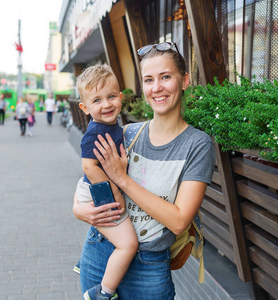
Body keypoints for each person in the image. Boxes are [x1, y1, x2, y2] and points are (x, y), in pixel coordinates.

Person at [73, 42, 215, 299]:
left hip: (148, 267)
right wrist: (79, 210)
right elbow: (88, 177)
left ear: (184, 81)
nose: (157, 87)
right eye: (149, 79)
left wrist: (122, 180)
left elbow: (179, 220)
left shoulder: (197, 144)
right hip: (99, 252)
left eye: (166, 77)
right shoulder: (127, 133)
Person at [76, 64, 138, 300]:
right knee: (128, 244)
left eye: (111, 96)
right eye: (97, 100)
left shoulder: (111, 127)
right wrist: (117, 191)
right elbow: (88, 167)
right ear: (85, 107)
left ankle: (86, 261)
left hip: (97, 187)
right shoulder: (95, 132)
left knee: (116, 233)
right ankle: (103, 292)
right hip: (99, 189)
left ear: (120, 97)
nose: (107, 104)